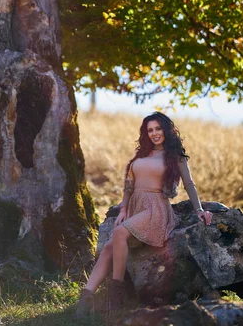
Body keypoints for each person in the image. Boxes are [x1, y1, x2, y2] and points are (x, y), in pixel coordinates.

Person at [76, 111, 213, 316]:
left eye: (158, 129)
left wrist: (200, 210)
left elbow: (189, 184)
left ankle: (116, 295)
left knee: (120, 233)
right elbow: (128, 184)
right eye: (150, 130)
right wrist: (123, 209)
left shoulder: (176, 157)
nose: (154, 133)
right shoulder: (141, 154)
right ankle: (85, 299)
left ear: (167, 130)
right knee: (108, 249)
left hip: (155, 209)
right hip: (135, 208)